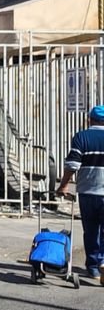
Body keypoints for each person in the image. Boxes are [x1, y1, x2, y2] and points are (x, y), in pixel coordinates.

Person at [56, 104, 104, 285]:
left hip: (87, 192)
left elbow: (72, 166)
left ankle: (93, 267)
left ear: (90, 120)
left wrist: (64, 185)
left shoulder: (82, 137)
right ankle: (103, 261)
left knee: (91, 230)